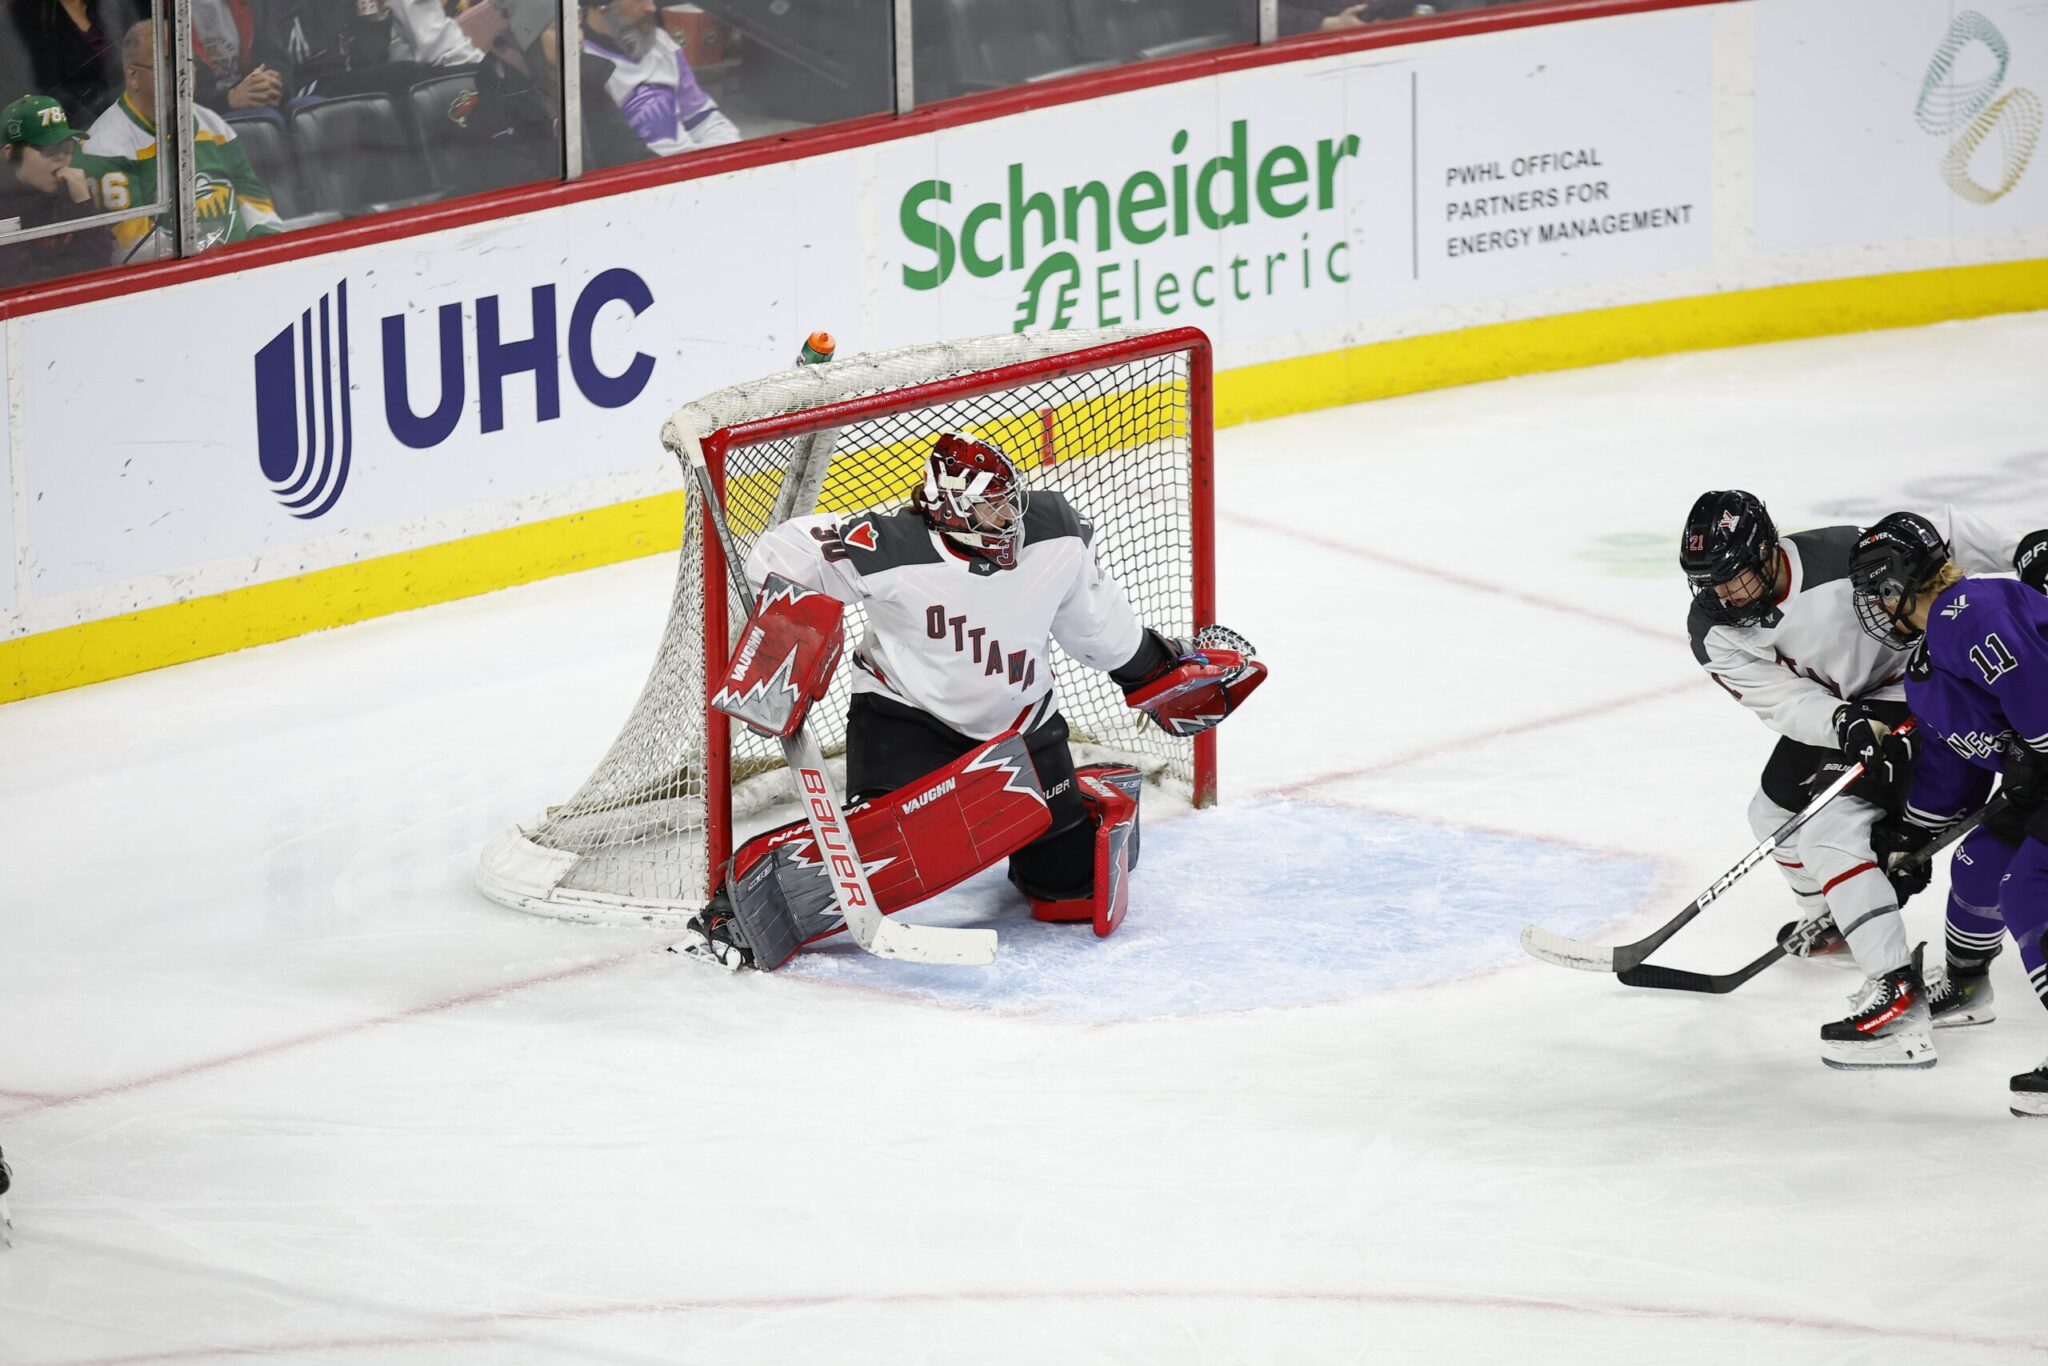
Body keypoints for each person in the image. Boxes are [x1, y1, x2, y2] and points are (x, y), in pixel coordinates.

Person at [678, 431, 1266, 970]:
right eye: (991, 508)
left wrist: (1153, 667)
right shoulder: (886, 546)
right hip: (907, 721)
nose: (1009, 518)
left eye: (1011, 501)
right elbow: (776, 556)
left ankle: (1086, 795)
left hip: (1023, 727)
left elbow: (1098, 633)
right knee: (886, 855)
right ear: (951, 508)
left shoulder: (1054, 532)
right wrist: (787, 634)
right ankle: (739, 903)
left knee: (1070, 893)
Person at [1679, 490, 2032, 1068]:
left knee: (1830, 830)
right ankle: (1842, 923)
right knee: (1770, 814)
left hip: (1914, 690)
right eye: (1709, 582)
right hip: (1840, 710)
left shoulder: (1839, 554)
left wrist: (2022, 549)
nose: (1723, 595)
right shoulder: (1714, 627)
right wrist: (1841, 721)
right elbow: (1780, 699)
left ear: (1768, 553)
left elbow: (1935, 535)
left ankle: (1899, 1007)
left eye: (1735, 577)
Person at [1848, 512, 2048, 1115]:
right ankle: (1966, 984)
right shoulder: (1929, 663)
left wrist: (2036, 749)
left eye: (1879, 594)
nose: (1878, 610)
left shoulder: (1970, 612)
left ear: (1901, 584)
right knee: (1978, 863)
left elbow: (2037, 691)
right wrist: (1910, 839)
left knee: (2029, 891)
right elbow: (1954, 770)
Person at [78, 20, 283, 260]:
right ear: (132, 75)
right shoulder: (104, 148)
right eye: (167, 64)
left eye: (189, 62)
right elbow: (135, 251)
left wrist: (267, 256)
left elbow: (255, 204)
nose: (183, 74)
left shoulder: (213, 125)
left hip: (243, 272)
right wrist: (211, 266)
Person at [581, 0, 739, 156]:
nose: (651, 7)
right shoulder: (580, 65)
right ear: (602, 5)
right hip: (639, 175)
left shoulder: (662, 44)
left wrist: (728, 154)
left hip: (689, 169)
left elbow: (702, 118)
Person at [0, 93, 114, 289]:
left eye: (67, 147)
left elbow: (100, 262)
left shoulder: (72, 191)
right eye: (49, 149)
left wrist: (84, 205)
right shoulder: (4, 206)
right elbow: (18, 283)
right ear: (10, 154)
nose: (62, 157)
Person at [2, 0, 145, 126]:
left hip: (129, 119)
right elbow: (45, 89)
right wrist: (104, 127)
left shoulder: (112, 5)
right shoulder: (21, 14)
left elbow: (139, 63)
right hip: (71, 133)